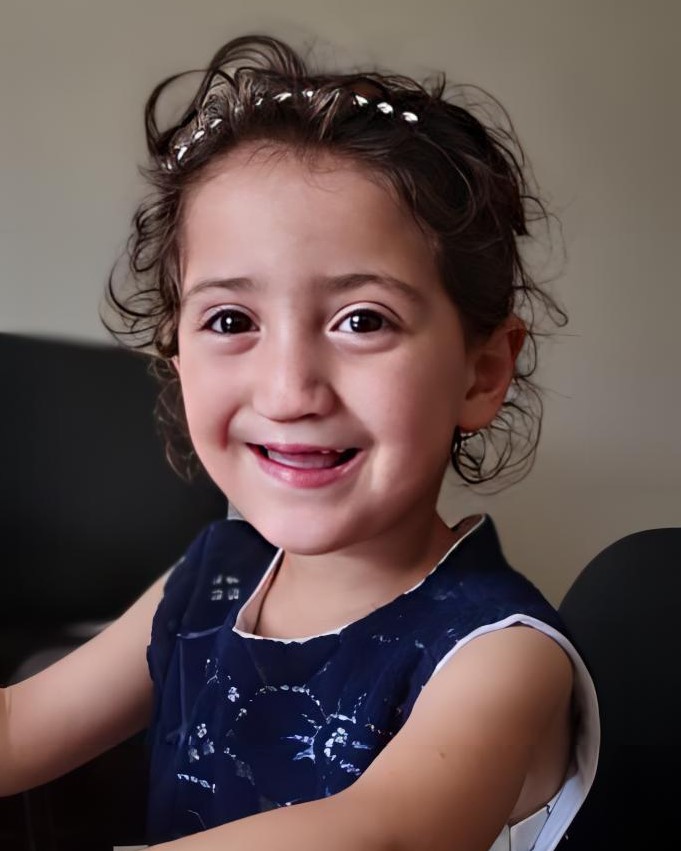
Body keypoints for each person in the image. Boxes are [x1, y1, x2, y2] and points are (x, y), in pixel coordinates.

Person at [0, 34, 599, 851]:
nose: (288, 390)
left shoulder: (501, 659)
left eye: (362, 321)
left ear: (480, 372)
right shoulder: (212, 577)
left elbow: (377, 832)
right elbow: (20, 724)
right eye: (231, 321)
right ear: (176, 361)